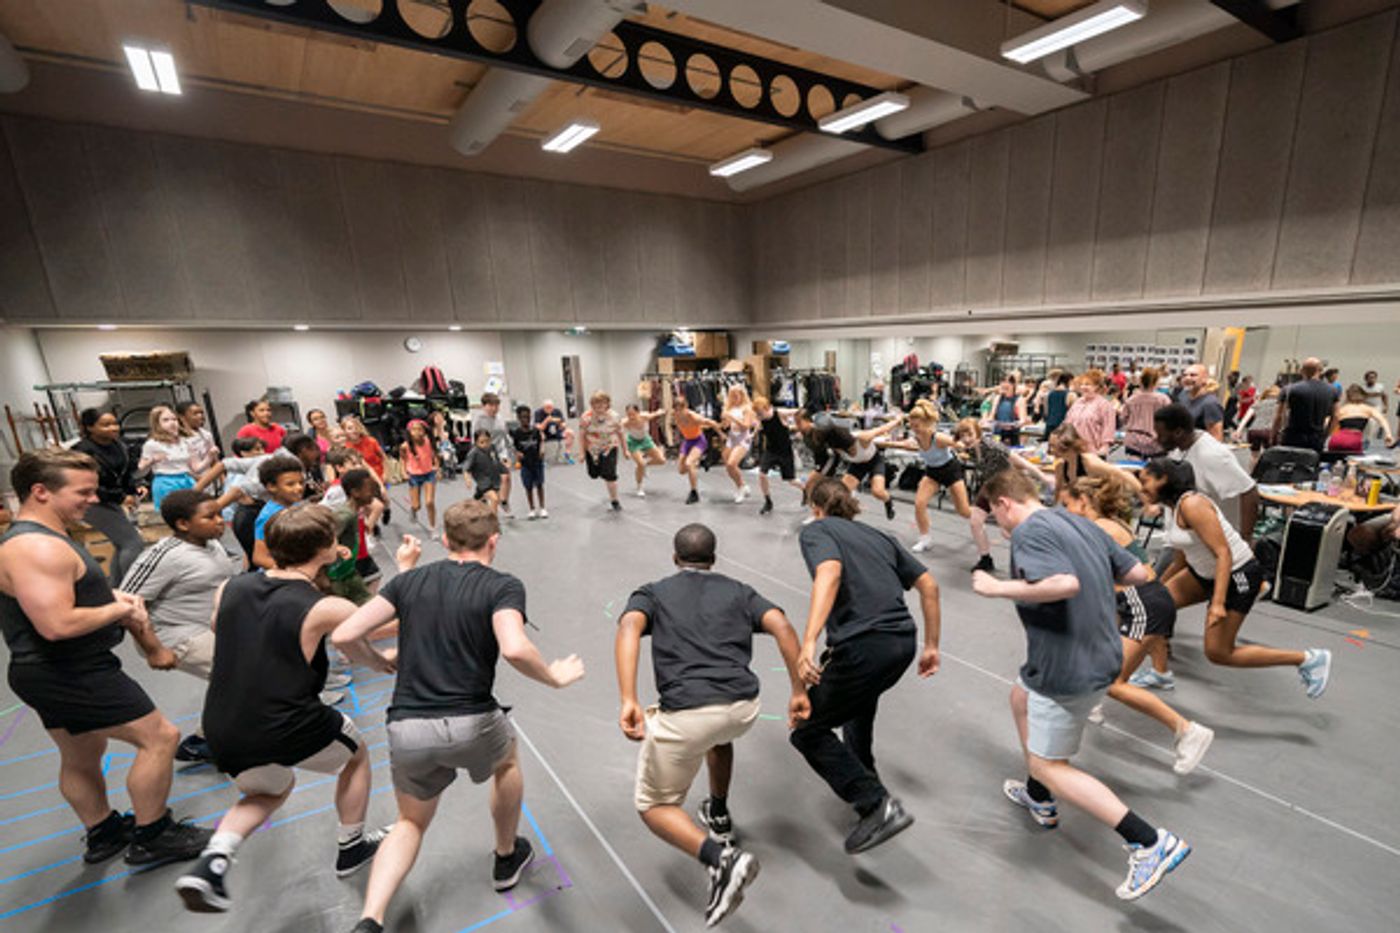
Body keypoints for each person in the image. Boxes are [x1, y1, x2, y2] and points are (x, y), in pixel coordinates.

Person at [330, 501, 586, 933]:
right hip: (472, 719)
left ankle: (370, 919)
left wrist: (376, 663)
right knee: (506, 760)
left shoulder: (410, 583)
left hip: (407, 726)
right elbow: (516, 647)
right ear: (494, 541)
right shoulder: (502, 586)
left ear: (445, 541)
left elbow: (344, 633)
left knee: (410, 822)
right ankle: (506, 856)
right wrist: (554, 678)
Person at [969, 469, 1190, 900]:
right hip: (1099, 652)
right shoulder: (1077, 521)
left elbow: (1064, 584)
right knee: (1020, 696)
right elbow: (1139, 575)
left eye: (996, 518)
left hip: (1067, 666)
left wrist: (997, 587)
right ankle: (1039, 797)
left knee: (1049, 764)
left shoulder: (1029, 532)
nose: (1000, 527)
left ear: (1003, 503)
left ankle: (1148, 841)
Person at [175, 505, 396, 912]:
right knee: (357, 755)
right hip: (289, 720)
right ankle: (351, 847)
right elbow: (367, 632)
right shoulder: (326, 607)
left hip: (225, 723)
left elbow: (216, 626)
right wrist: (387, 652)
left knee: (267, 790)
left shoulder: (231, 588)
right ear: (326, 549)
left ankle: (214, 859)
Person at [0, 449, 211, 868]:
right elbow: (57, 624)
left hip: (48, 671)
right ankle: (154, 834)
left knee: (81, 754)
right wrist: (119, 609)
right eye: (83, 492)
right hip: (69, 670)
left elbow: (60, 600)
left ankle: (105, 831)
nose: (93, 500)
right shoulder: (36, 547)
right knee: (160, 738)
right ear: (40, 492)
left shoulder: (43, 539)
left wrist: (107, 597)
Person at [615, 523, 808, 926]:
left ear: (675, 557)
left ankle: (722, 859)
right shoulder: (739, 590)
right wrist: (798, 691)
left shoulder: (652, 592)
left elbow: (630, 627)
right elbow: (783, 626)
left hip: (688, 713)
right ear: (714, 559)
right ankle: (717, 813)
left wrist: (629, 697)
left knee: (654, 806)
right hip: (742, 708)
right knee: (719, 738)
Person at [790, 478, 941, 854]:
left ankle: (876, 804)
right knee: (858, 708)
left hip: (864, 644)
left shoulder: (818, 530)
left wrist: (808, 640)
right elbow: (930, 586)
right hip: (902, 643)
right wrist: (932, 645)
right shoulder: (880, 535)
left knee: (807, 730)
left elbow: (830, 573)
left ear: (816, 508)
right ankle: (868, 781)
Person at [1062, 477, 1214, 775]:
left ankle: (1188, 731)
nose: (1065, 511)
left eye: (1068, 504)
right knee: (1096, 653)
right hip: (1137, 602)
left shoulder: (1100, 528)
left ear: (1084, 501)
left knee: (1113, 682)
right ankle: (1090, 703)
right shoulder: (1110, 523)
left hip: (1142, 604)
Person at [1140, 460, 1332, 695]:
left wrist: (1217, 603)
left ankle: (1307, 659)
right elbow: (1181, 558)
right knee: (1154, 605)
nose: (1141, 488)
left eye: (1145, 481)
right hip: (1203, 573)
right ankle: (1160, 674)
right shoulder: (1173, 507)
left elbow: (1223, 553)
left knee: (1219, 652)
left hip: (1237, 574)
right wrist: (1156, 587)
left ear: (1164, 479)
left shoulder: (1193, 504)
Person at [120, 490, 242, 763]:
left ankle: (207, 739)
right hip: (173, 636)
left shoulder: (213, 544)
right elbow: (126, 603)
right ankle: (208, 741)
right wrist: (154, 649)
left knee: (237, 679)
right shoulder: (164, 555)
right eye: (210, 516)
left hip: (209, 627)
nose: (220, 521)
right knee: (243, 675)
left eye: (220, 514)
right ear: (182, 524)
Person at [1153, 404, 1258, 540]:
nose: (1156, 439)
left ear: (1178, 432)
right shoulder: (1178, 450)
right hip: (1185, 539)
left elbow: (1249, 491)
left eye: (1161, 435)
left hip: (1213, 542)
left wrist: (1246, 537)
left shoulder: (1212, 455)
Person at [953, 419, 1043, 573]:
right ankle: (985, 559)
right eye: (963, 435)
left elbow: (1018, 460)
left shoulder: (991, 446)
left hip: (1008, 486)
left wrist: (1042, 476)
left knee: (1011, 531)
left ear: (978, 434)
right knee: (975, 521)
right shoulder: (971, 449)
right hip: (990, 486)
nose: (966, 439)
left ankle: (1033, 562)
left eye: (970, 434)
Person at [74, 408, 147, 586]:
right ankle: (132, 587)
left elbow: (125, 473)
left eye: (115, 424)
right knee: (133, 543)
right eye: (106, 425)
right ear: (90, 427)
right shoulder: (82, 451)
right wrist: (120, 497)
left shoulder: (118, 445)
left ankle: (118, 587)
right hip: (90, 501)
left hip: (109, 499)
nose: (113, 428)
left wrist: (133, 490)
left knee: (122, 543)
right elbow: (88, 484)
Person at [889, 400, 971, 554]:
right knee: (919, 503)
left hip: (951, 470)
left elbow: (959, 444)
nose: (915, 430)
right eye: (912, 426)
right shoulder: (916, 439)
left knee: (963, 510)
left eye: (917, 427)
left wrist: (962, 446)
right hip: (933, 472)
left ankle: (978, 519)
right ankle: (925, 539)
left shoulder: (939, 438)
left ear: (927, 424)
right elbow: (906, 442)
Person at [815, 414, 904, 521]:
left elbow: (883, 428)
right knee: (841, 492)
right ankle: (845, 517)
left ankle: (888, 501)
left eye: (852, 449)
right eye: (849, 451)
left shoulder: (863, 437)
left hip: (874, 461)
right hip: (858, 465)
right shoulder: (836, 446)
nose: (852, 451)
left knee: (877, 491)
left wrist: (897, 420)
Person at [141, 405, 214, 509]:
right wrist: (152, 460)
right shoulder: (152, 444)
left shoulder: (185, 442)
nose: (172, 423)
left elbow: (196, 467)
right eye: (166, 420)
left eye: (174, 419)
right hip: (166, 482)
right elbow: (141, 469)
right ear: (157, 423)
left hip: (187, 480)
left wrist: (210, 457)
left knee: (194, 512)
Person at [1048, 423, 1142, 505]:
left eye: (1054, 446)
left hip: (1104, 506)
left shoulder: (1090, 462)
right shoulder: (1061, 466)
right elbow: (1059, 492)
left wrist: (1145, 498)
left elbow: (1123, 475)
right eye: (1050, 446)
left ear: (1067, 446)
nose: (1051, 450)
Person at [251, 457, 307, 571]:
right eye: (290, 484)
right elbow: (259, 557)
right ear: (272, 487)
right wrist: (292, 572)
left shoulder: (296, 504)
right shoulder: (269, 516)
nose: (299, 488)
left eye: (301, 482)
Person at [752, 397, 802, 515]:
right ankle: (768, 501)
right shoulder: (760, 418)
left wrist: (799, 429)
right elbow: (758, 427)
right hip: (770, 451)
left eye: (760, 412)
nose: (758, 415)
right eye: (757, 413)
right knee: (762, 474)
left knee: (791, 480)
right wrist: (752, 435)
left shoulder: (779, 413)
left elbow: (799, 412)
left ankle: (805, 490)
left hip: (785, 452)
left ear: (767, 408)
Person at [1272, 358, 1335, 452]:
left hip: (1292, 437)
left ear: (1302, 371)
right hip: (1316, 439)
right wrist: (1326, 435)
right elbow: (1336, 416)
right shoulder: (1332, 390)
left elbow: (1279, 416)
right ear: (1320, 371)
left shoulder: (1289, 389)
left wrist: (1274, 435)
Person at [580, 390, 626, 512]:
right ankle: (602, 470)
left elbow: (621, 434)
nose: (599, 406)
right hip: (592, 449)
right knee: (593, 474)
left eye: (602, 403)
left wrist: (625, 450)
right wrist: (582, 452)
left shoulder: (614, 416)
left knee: (610, 475)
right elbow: (582, 435)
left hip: (609, 447)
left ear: (607, 404)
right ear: (592, 405)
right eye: (596, 403)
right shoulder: (586, 417)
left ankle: (614, 500)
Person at [474, 394, 516, 516]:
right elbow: (475, 439)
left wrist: (511, 450)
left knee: (506, 477)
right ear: (484, 406)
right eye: (491, 405)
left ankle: (504, 501)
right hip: (486, 452)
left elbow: (505, 435)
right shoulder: (479, 420)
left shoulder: (500, 418)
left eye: (496, 405)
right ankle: (486, 501)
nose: (494, 408)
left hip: (501, 451)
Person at [672, 394, 718, 505]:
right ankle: (695, 464)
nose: (680, 412)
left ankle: (694, 492)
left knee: (689, 463)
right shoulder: (675, 415)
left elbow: (711, 422)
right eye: (677, 409)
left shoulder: (693, 416)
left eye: (681, 408)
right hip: (687, 442)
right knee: (682, 470)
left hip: (698, 441)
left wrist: (720, 432)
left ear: (686, 407)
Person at [719, 385, 759, 503]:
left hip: (743, 438)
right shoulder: (729, 407)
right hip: (732, 437)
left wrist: (732, 417)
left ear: (742, 395)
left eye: (737, 395)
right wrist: (724, 420)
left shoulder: (747, 408)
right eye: (732, 395)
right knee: (728, 466)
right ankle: (741, 486)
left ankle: (741, 488)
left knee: (732, 463)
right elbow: (725, 426)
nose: (734, 397)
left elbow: (746, 426)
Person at [1120, 368, 1170, 459]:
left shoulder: (1131, 399)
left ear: (1141, 381)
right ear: (1156, 382)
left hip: (1133, 441)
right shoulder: (1164, 399)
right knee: (1156, 472)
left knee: (1133, 471)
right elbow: (1170, 420)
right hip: (1157, 442)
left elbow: (1123, 418)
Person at [1328, 385, 1394, 452]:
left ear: (1347, 396)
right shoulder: (1367, 409)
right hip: (1353, 440)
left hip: (1336, 440)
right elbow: (1382, 420)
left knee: (1334, 459)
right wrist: (1388, 435)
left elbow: (1331, 427)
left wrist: (1326, 437)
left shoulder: (1341, 410)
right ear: (1363, 395)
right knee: (1354, 460)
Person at [399, 418, 440, 529]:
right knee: (417, 505)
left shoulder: (429, 441)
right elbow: (402, 459)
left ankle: (433, 527)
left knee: (429, 502)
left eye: (420, 430)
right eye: (414, 430)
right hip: (414, 475)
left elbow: (435, 454)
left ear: (425, 431)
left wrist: (437, 467)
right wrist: (403, 472)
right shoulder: (405, 446)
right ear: (409, 432)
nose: (417, 432)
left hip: (428, 473)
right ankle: (413, 509)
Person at [1064, 370, 1116, 454]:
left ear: (1096, 386)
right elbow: (1067, 424)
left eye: (1087, 384)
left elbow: (1108, 428)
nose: (1083, 387)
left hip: (1093, 452)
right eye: (1082, 384)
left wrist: (1103, 449)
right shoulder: (1077, 403)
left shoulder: (1104, 405)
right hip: (1073, 451)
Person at [511, 404, 548, 518]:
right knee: (528, 487)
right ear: (518, 418)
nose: (525, 420)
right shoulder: (516, 433)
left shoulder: (535, 431)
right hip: (525, 464)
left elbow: (541, 442)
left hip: (537, 462)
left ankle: (542, 507)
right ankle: (531, 508)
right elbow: (513, 447)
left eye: (527, 417)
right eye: (522, 417)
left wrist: (542, 450)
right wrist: (517, 454)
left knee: (540, 484)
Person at [622, 403, 667, 498]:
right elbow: (618, 431)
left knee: (661, 460)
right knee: (640, 463)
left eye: (633, 414)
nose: (631, 417)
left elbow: (655, 414)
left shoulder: (645, 416)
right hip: (633, 442)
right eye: (629, 414)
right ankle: (639, 487)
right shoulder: (625, 422)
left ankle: (645, 466)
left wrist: (660, 412)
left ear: (638, 413)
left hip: (645, 440)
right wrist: (625, 449)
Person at [1171, 364, 1226, 440]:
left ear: (1205, 379)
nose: (1187, 378)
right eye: (1184, 375)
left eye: (1193, 375)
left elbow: (1216, 437)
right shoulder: (1183, 395)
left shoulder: (1210, 403)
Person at [1234, 384, 1282, 461]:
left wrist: (1238, 431)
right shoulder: (1280, 405)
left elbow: (1246, 417)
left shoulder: (1258, 403)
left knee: (1254, 456)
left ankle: (1252, 472)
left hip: (1254, 430)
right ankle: (1266, 472)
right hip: (1270, 431)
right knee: (1271, 456)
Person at [463, 429, 504, 511]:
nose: (485, 444)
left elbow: (496, 460)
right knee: (494, 499)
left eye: (487, 441)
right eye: (481, 442)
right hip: (483, 481)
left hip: (493, 479)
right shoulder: (473, 453)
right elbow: (466, 468)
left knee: (495, 499)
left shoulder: (492, 448)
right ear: (476, 443)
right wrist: (467, 479)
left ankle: (478, 499)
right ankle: (493, 522)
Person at [341, 415, 387, 482]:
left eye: (356, 427)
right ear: (344, 431)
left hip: (379, 475)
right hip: (361, 480)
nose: (354, 430)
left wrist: (385, 473)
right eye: (350, 428)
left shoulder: (371, 441)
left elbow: (383, 457)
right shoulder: (346, 447)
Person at [985, 376, 1027, 446]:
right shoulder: (998, 398)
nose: (1003, 385)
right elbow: (991, 417)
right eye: (1002, 382)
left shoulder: (1020, 399)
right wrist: (987, 422)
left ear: (1013, 385)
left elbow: (1023, 420)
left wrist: (1013, 425)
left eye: (1006, 383)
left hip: (1012, 435)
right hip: (998, 434)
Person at [176, 401, 219, 468]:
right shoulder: (179, 439)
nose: (200, 416)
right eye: (195, 414)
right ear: (182, 417)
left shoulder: (206, 435)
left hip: (210, 474)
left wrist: (223, 478)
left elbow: (215, 461)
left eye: (201, 413)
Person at [533, 399, 570, 464]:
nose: (549, 409)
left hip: (556, 431)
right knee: (541, 436)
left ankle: (567, 455)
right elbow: (539, 427)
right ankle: (542, 458)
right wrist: (546, 420)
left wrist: (561, 425)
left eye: (551, 407)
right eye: (547, 408)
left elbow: (563, 423)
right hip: (545, 433)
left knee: (570, 433)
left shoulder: (557, 411)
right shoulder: (538, 413)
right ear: (543, 408)